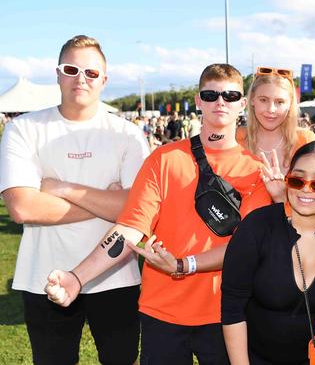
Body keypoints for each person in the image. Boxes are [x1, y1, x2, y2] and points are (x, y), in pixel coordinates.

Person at [44, 63, 272, 364]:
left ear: (242, 104)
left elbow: (243, 247)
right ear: (198, 100)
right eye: (211, 94)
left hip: (225, 313)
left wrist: (183, 264)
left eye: (230, 96)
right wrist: (76, 278)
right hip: (162, 313)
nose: (221, 102)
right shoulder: (163, 159)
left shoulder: (256, 172)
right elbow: (129, 229)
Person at [0, 35, 150, 365]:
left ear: (104, 80)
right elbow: (23, 207)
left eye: (91, 73)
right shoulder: (24, 129)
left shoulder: (127, 134)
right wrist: (108, 202)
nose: (81, 79)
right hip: (44, 275)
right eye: (71, 69)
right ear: (57, 73)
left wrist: (61, 189)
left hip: (116, 276)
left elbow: (138, 211)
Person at [221, 140, 315, 364]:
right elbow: (232, 308)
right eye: (297, 179)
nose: (306, 188)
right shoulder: (257, 227)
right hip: (253, 358)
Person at [238, 66, 315, 176]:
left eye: (279, 102)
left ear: (290, 103)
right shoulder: (237, 138)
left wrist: (281, 193)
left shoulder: (306, 141)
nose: (271, 109)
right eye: (263, 100)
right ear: (252, 99)